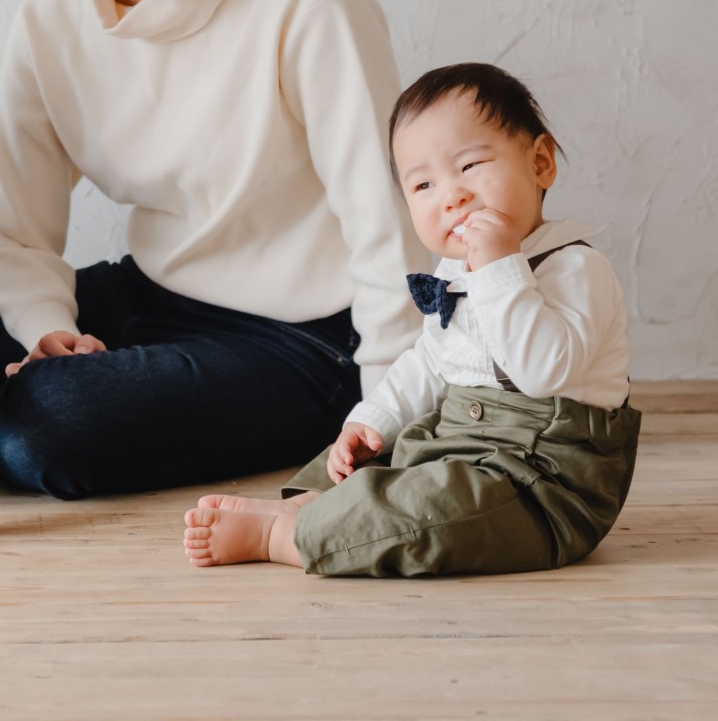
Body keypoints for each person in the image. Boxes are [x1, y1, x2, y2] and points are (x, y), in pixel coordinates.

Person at [0, 0, 424, 500]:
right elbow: (14, 233)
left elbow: (391, 228)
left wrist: (383, 419)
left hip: (307, 339)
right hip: (154, 297)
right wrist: (47, 326)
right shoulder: (47, 27)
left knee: (48, 422)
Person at [182, 63, 640, 575]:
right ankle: (308, 504)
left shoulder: (577, 268)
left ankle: (285, 536)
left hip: (539, 481)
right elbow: (428, 362)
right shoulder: (455, 272)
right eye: (423, 185)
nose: (452, 196)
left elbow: (542, 373)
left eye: (470, 166)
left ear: (540, 163)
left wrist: (499, 270)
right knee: (371, 449)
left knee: (432, 507)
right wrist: (372, 419)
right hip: (455, 439)